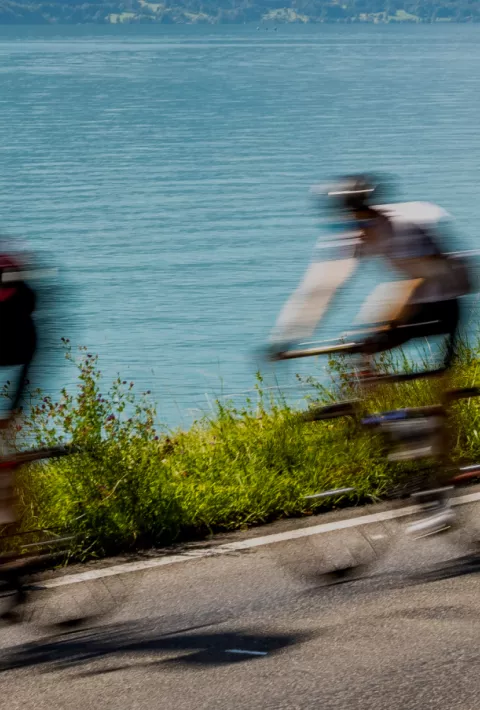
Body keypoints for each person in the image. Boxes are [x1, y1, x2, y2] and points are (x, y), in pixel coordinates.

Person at [269, 174, 472, 535]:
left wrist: (380, 328)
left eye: (363, 216)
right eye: (351, 219)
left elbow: (420, 280)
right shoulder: (354, 235)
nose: (357, 225)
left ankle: (442, 494)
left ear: (373, 210)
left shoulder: (407, 226)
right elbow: (321, 287)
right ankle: (397, 429)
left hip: (446, 299)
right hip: (413, 298)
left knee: (437, 390)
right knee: (360, 353)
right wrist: (285, 337)